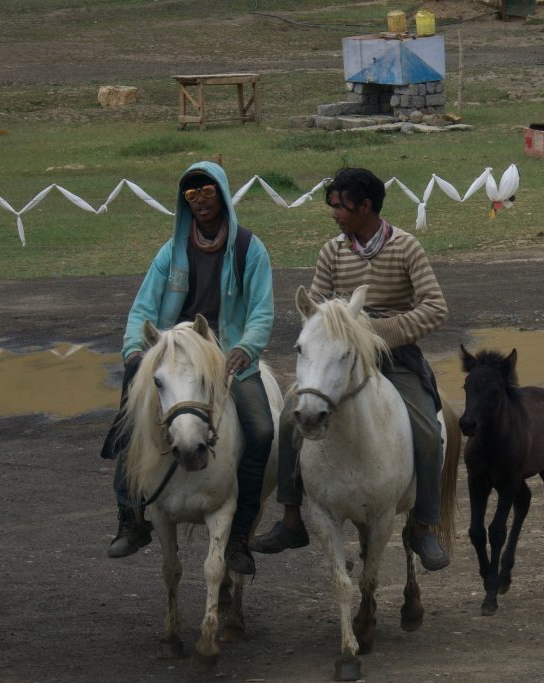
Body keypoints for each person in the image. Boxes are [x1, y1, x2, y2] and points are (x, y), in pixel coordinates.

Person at [251, 167, 451, 571]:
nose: (335, 215)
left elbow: (435, 308)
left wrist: (376, 331)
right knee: (292, 418)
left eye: (341, 206)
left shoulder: (407, 248)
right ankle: (291, 515)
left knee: (430, 434)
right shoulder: (332, 251)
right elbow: (318, 308)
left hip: (394, 358)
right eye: (333, 207)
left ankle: (423, 524)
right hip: (338, 357)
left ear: (366, 206)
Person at [100, 160, 275, 576]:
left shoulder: (250, 249)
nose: (200, 201)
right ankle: (131, 518)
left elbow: (262, 313)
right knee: (129, 424)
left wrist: (247, 348)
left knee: (263, 430)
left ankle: (239, 536)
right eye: (192, 195)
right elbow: (143, 305)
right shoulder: (171, 252)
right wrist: (133, 350)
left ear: (223, 195)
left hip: (226, 352)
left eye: (208, 192)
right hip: (174, 349)